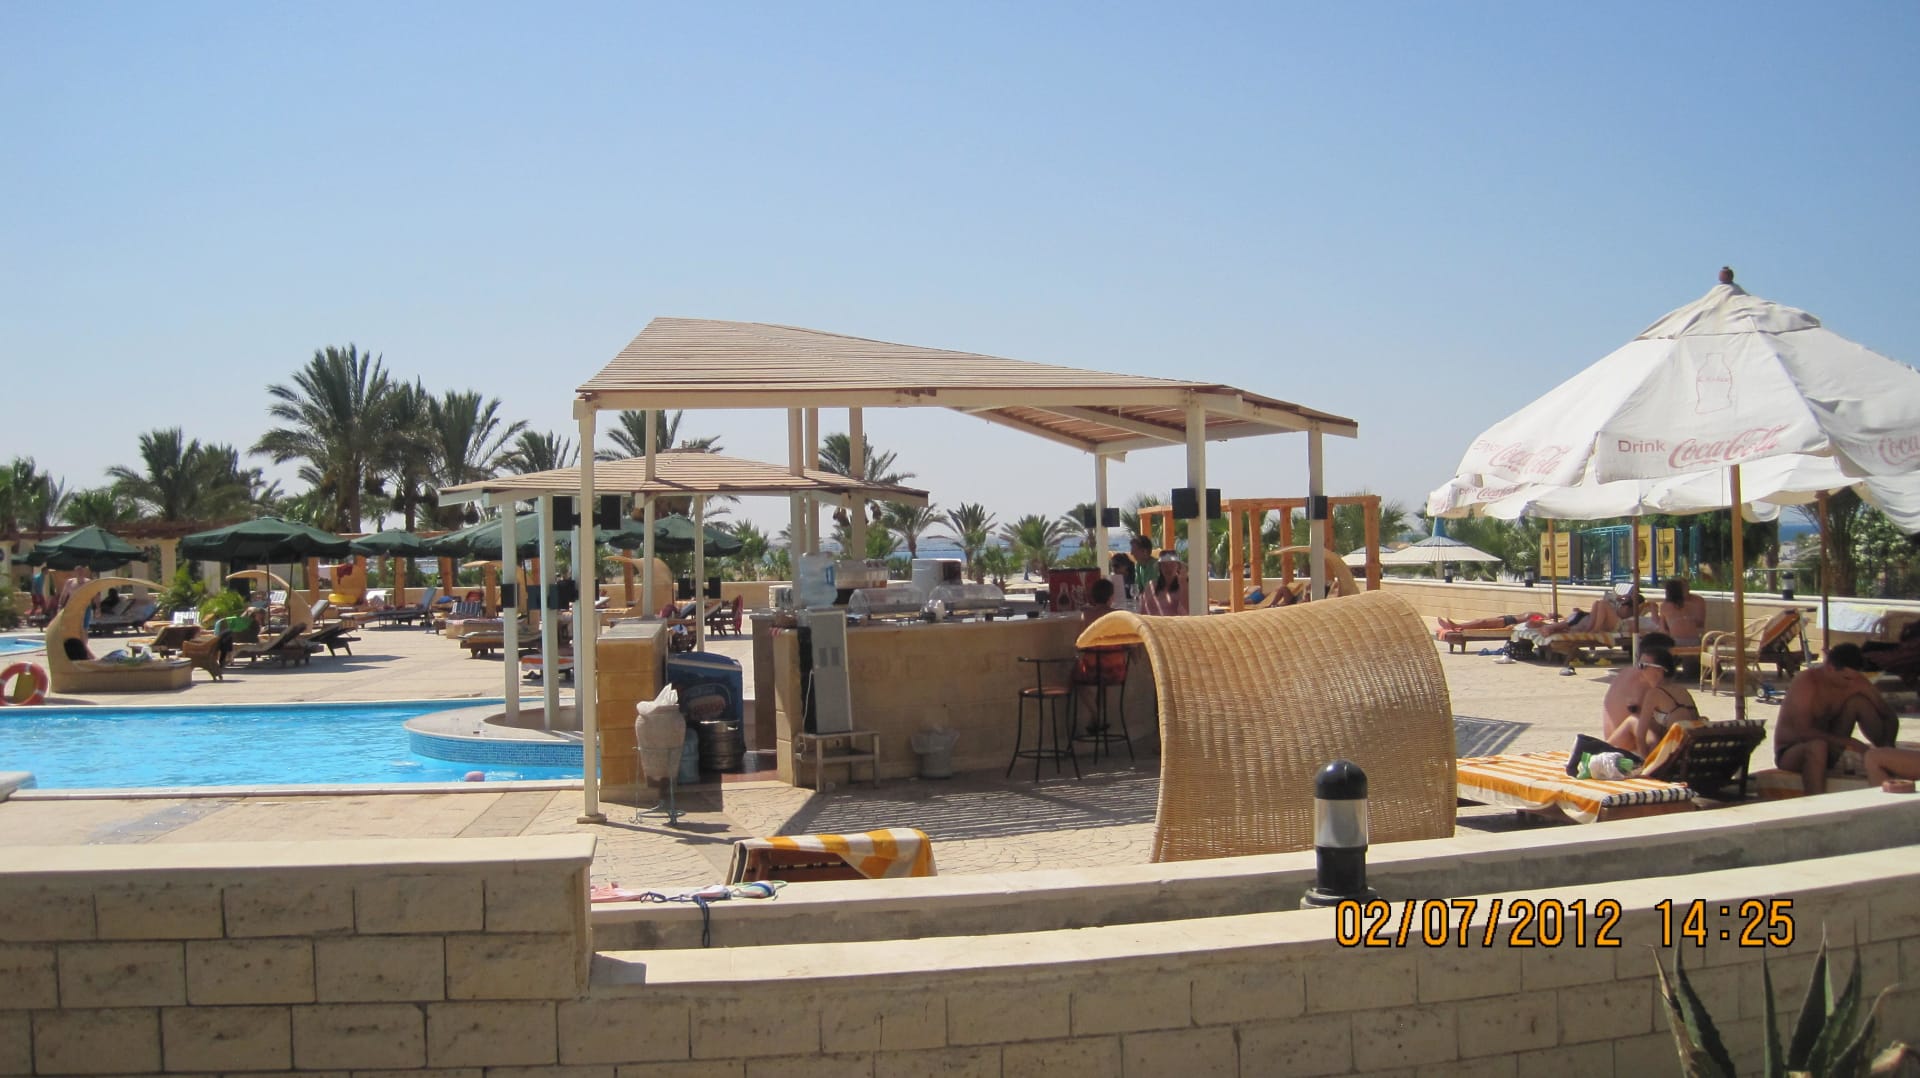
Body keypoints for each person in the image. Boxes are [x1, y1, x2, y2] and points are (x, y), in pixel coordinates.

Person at [1773, 644, 1900, 795]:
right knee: (1818, 746)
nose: (1851, 683)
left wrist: (1888, 745)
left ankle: (1885, 756)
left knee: (1859, 702)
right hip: (1792, 752)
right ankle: (1816, 802)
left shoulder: (1856, 681)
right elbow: (1803, 731)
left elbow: (1888, 714)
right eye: (1846, 678)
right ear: (1830, 668)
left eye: (1854, 678)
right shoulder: (1806, 681)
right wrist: (1850, 742)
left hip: (1832, 750)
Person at [1602, 638, 1702, 756]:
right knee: (1648, 726)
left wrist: (1646, 763)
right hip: (1685, 750)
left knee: (1633, 720)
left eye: (1643, 666)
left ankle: (1601, 751)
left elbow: (1640, 735)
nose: (1639, 671)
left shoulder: (1654, 694)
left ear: (1659, 670)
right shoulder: (1683, 691)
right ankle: (1602, 751)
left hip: (1671, 753)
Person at [1658, 577, 1707, 646]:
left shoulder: (1665, 606)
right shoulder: (1691, 605)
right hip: (1694, 640)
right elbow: (1699, 623)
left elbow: (1663, 629)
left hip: (1676, 641)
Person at [1137, 551, 1188, 616]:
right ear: (1160, 567)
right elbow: (1142, 609)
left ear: (1178, 566)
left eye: (1171, 564)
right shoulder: (1151, 585)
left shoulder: (1184, 585)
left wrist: (1183, 581)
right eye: (1164, 565)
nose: (1168, 568)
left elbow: (1187, 611)